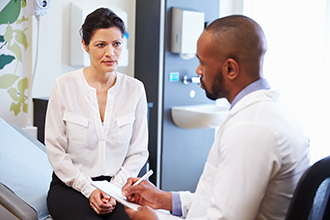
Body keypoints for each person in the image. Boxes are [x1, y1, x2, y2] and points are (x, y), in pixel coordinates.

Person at [123, 15, 311, 220]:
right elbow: (215, 200)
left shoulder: (251, 129)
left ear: (230, 69)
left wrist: (155, 219)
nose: (198, 70)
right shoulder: (269, 114)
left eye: (202, 62)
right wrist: (163, 199)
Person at [45, 8, 149, 220]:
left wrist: (114, 189)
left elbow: (138, 152)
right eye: (101, 45)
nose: (110, 53)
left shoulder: (135, 89)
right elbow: (55, 150)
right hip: (71, 185)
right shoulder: (64, 86)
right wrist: (89, 189)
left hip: (120, 186)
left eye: (117, 44)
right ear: (85, 45)